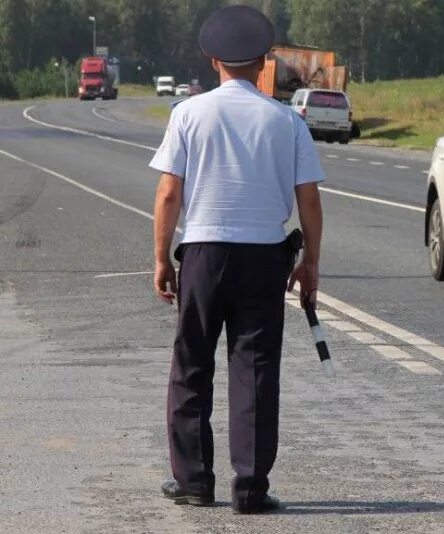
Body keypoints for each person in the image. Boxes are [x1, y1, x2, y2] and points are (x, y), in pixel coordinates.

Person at [149, 5, 325, 514]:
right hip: (265, 256)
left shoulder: (188, 114)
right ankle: (250, 487)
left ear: (212, 60)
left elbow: (168, 194)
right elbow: (308, 199)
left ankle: (193, 481)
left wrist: (162, 258)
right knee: (255, 369)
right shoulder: (286, 120)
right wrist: (310, 261)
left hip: (203, 251)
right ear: (264, 61)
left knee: (191, 365)